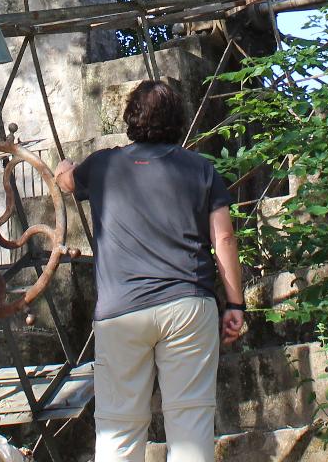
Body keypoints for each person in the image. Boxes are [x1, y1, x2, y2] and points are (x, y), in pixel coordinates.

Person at [55, 80, 247, 462]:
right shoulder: (201, 170)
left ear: (132, 118)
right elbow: (223, 239)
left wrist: (64, 169)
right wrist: (235, 305)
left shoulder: (103, 165)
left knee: (118, 429)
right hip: (188, 307)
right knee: (190, 427)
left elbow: (66, 181)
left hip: (120, 311)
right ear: (177, 121)